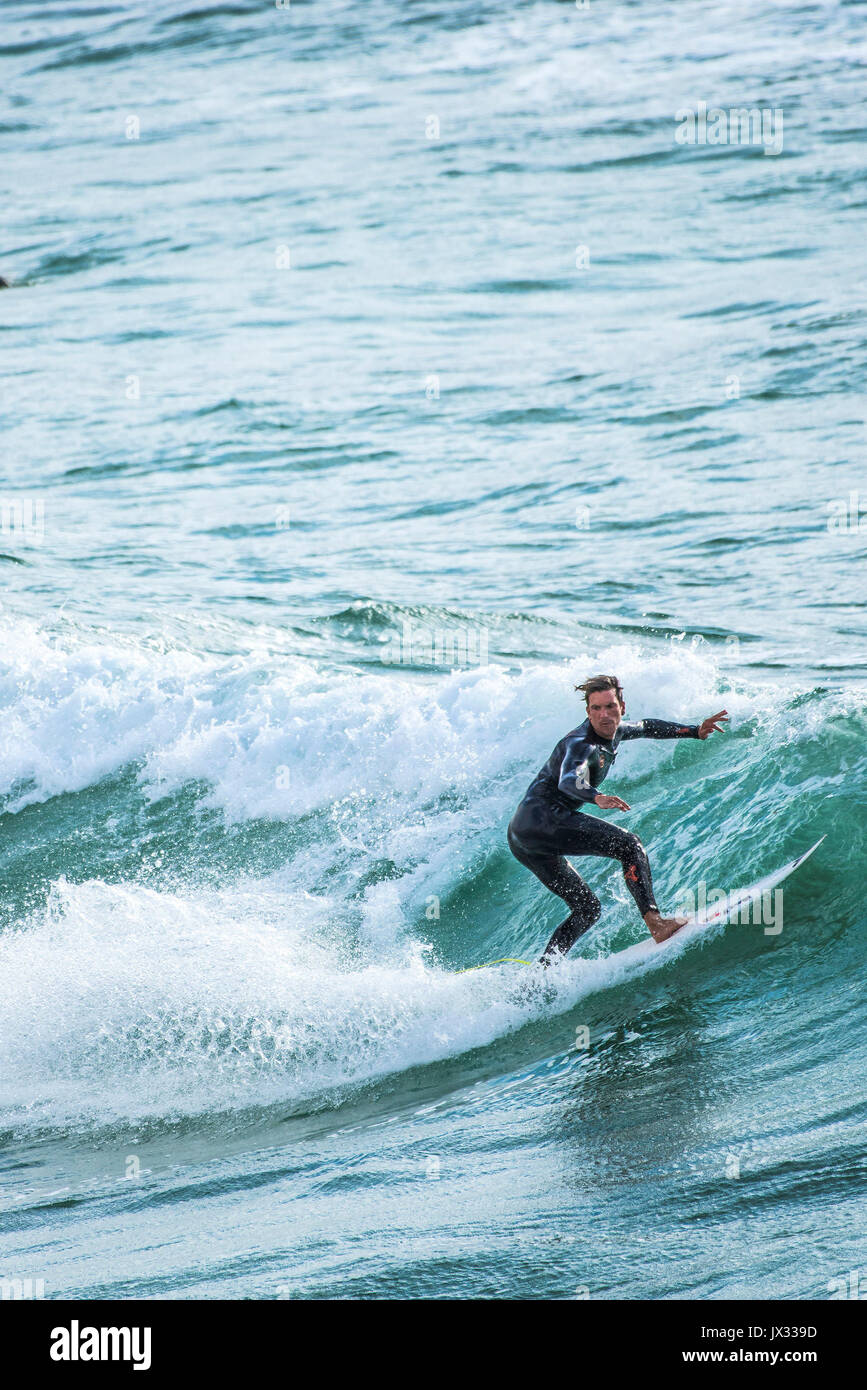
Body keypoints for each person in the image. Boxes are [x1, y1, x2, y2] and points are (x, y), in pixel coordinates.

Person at [507, 674, 728, 962]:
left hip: (522, 837)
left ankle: (543, 971)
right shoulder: (580, 743)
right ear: (587, 712)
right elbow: (568, 781)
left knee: (587, 909)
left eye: (610, 707)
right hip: (542, 821)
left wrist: (695, 730)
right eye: (596, 708)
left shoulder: (618, 731)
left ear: (622, 706)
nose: (604, 715)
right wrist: (595, 796)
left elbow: (648, 727)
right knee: (629, 845)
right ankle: (656, 924)